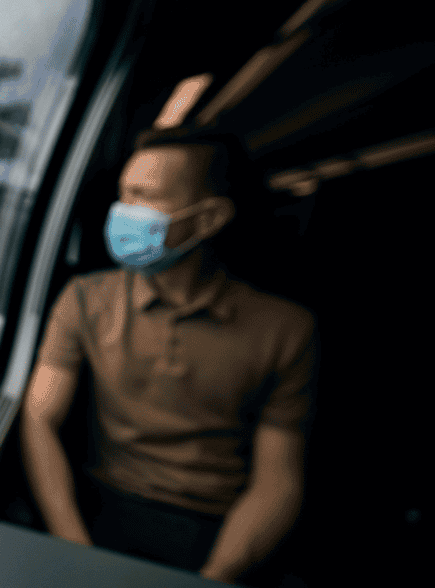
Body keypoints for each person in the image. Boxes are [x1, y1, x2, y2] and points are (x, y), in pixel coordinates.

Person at [20, 125, 318, 587]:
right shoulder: (84, 299)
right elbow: (39, 418)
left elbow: (278, 480)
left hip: (216, 525)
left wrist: (215, 576)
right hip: (101, 503)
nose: (122, 212)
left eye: (144, 196)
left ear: (208, 219)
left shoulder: (287, 330)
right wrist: (73, 549)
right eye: (123, 194)